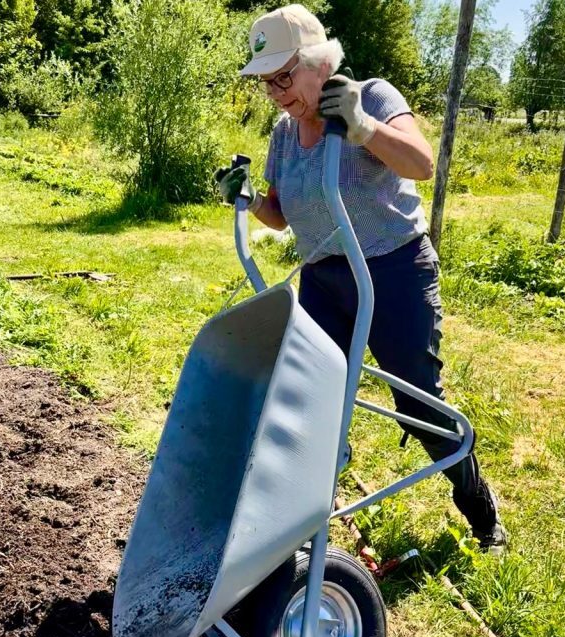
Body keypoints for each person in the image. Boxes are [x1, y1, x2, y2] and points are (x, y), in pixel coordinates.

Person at [215, 3, 507, 554]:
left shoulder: (371, 95)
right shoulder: (283, 133)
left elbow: (420, 164)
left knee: (419, 402)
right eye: (267, 83)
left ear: (319, 62)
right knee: (311, 400)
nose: (277, 92)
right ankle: (301, 525)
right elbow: (283, 212)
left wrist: (364, 128)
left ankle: (482, 513)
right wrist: (248, 198)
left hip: (393, 266)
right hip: (326, 278)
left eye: (284, 77)